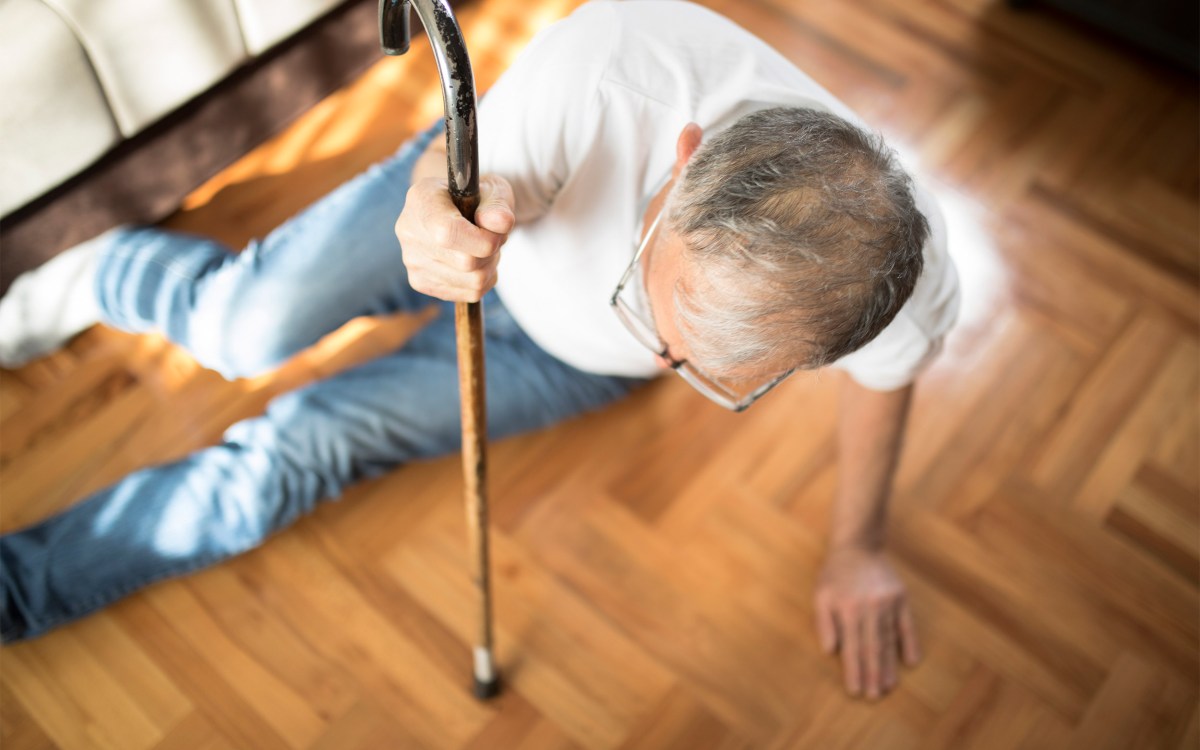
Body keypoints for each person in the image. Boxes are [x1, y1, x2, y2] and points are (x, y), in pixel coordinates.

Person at [0, 0, 958, 700]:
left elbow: (890, 385)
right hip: (480, 193)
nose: (662, 359)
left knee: (307, 446)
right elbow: (449, 173)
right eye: (650, 302)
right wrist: (431, 210)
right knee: (238, 331)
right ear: (684, 156)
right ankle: (101, 272)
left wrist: (858, 550)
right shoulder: (613, 61)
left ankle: (18, 591)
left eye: (706, 371)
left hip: (561, 363)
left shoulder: (890, 288)